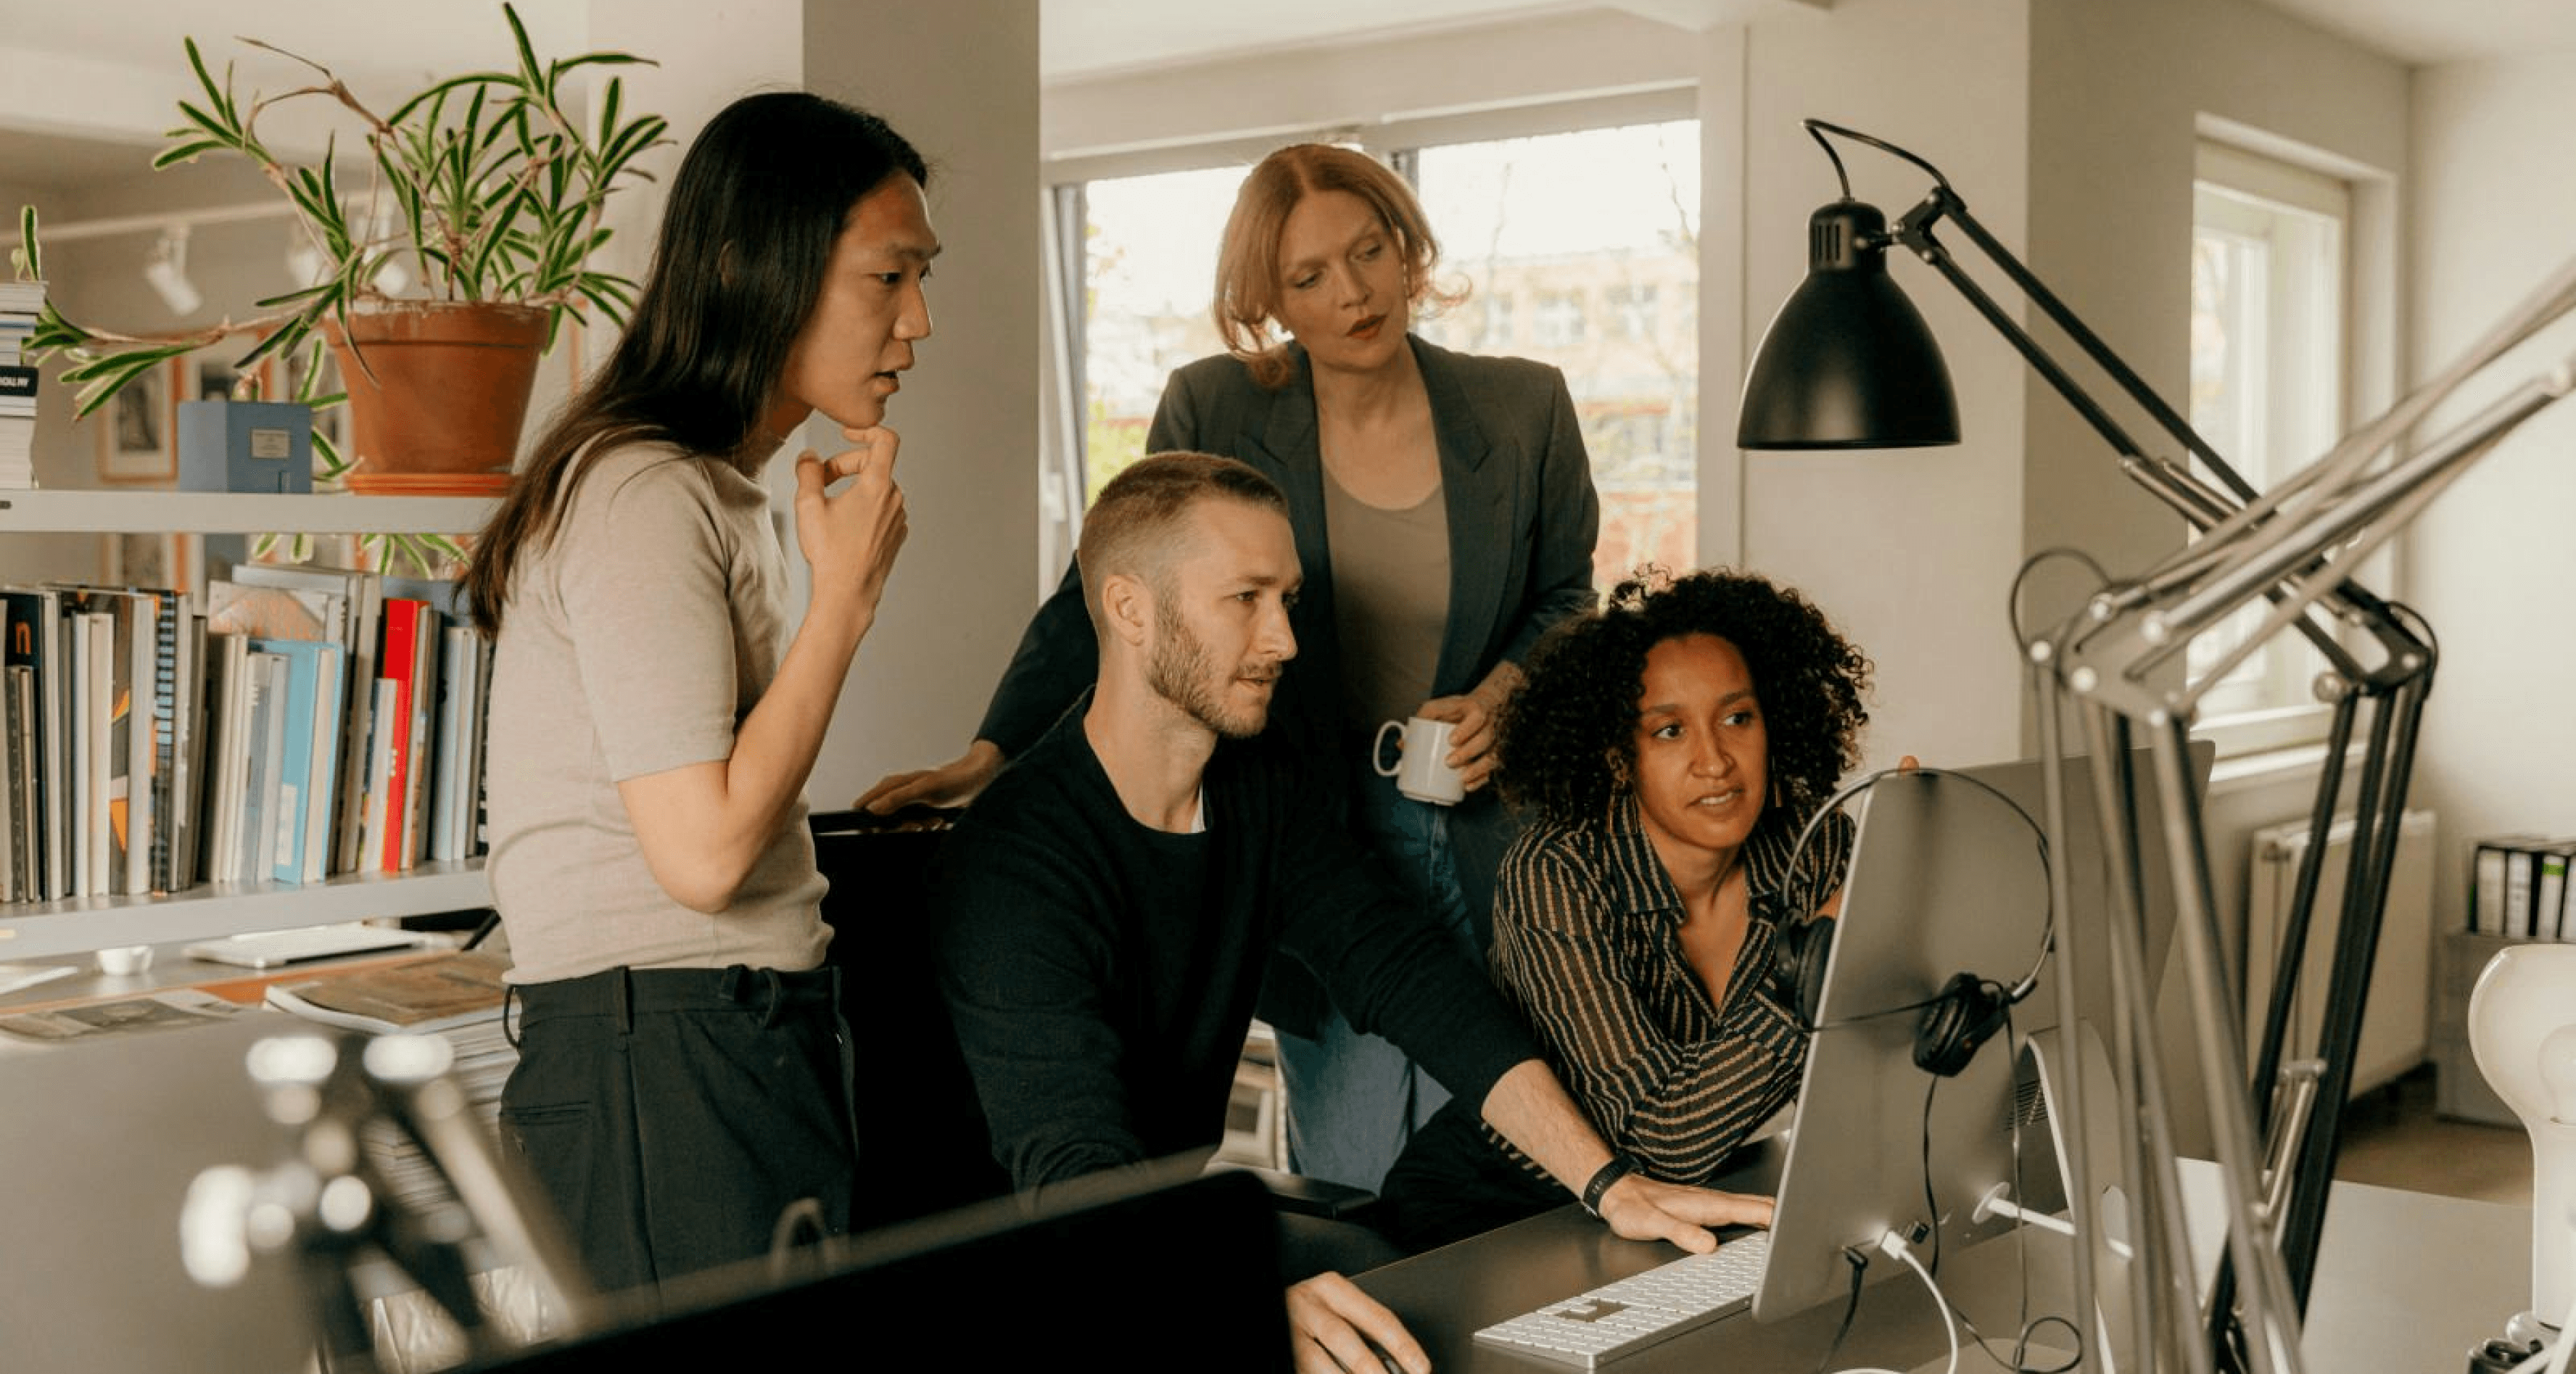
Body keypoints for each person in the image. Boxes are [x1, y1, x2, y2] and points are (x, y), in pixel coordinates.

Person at [931, 455, 1767, 1374]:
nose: (1285, 639)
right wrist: (1232, 1298)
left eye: (1286, 599)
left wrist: (1608, 1185)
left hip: (1153, 1241)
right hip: (1023, 1275)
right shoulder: (1017, 859)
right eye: (1245, 599)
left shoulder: (1255, 785)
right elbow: (1070, 1163)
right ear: (1130, 611)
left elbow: (1403, 971)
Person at [869, 143, 1601, 1192]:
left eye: (1370, 251)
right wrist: (997, 751)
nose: (1352, 292)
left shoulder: (1522, 406)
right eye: (1309, 277)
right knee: (1351, 1155)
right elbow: (1117, 586)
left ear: (1408, 250)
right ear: (1269, 301)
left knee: (1486, 1144)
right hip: (1303, 797)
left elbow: (1568, 595)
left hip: (1471, 809)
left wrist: (1501, 692)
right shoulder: (1215, 405)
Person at [467, 92, 935, 1295]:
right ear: (751, 269)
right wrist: (844, 603)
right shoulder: (642, 496)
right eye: (888, 278)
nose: (918, 322)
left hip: (724, 1038)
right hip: (663, 1056)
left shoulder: (713, 492)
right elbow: (706, 855)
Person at [1378, 568, 1877, 1252]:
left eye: (1738, 718)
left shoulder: (1814, 847)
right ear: (1619, 757)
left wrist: (1915, 889)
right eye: (1670, 731)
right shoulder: (1557, 873)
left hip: (1680, 1209)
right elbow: (1661, 1143)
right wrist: (1820, 965)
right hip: (1496, 1212)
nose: (1715, 762)